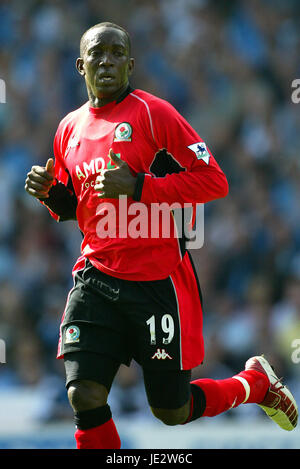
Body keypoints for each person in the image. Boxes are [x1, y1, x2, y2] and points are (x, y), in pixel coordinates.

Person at [25, 22, 298, 449]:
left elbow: (215, 181)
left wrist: (139, 186)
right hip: (95, 276)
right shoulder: (68, 129)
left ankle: (255, 384)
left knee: (172, 409)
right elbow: (80, 210)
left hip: (156, 281)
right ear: (81, 66)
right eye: (98, 54)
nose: (108, 61)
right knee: (83, 393)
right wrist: (51, 195)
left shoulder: (155, 114)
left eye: (118, 53)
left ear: (131, 65)